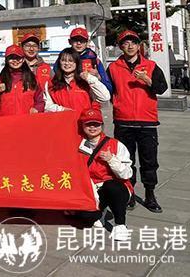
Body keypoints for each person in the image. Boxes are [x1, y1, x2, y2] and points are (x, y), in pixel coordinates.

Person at [107, 30, 167, 213]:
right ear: (120, 46)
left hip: (146, 122)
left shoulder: (151, 65)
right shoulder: (113, 68)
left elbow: (162, 88)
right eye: (125, 43)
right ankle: (129, 194)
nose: (130, 45)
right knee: (126, 161)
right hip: (123, 122)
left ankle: (150, 195)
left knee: (149, 161)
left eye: (133, 42)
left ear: (139, 45)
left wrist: (147, 80)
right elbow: (107, 90)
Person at [78, 108, 133, 242]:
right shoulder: (77, 144)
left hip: (115, 187)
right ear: (82, 125)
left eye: (96, 124)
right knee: (84, 219)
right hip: (91, 190)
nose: (92, 127)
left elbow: (127, 173)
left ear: (102, 125)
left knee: (112, 186)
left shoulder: (115, 144)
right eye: (88, 124)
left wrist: (111, 159)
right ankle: (98, 212)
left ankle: (120, 225)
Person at [44, 48, 110, 114]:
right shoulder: (52, 83)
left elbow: (105, 97)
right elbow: (47, 105)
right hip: (63, 122)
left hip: (84, 122)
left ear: (77, 63)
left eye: (71, 61)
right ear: (59, 62)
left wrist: (90, 79)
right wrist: (61, 109)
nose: (67, 63)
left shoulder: (86, 81)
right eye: (63, 60)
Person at [54, 27, 113, 94]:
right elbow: (55, 82)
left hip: (89, 99)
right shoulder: (62, 60)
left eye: (82, 40)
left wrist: (98, 77)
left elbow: (109, 89)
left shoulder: (94, 60)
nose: (79, 43)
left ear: (87, 42)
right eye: (75, 40)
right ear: (70, 42)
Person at [0, 45, 44, 116]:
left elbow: (40, 100)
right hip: (5, 122)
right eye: (11, 58)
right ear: (6, 60)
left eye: (18, 58)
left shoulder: (32, 78)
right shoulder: (0, 79)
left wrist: (37, 109)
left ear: (23, 60)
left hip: (26, 121)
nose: (15, 61)